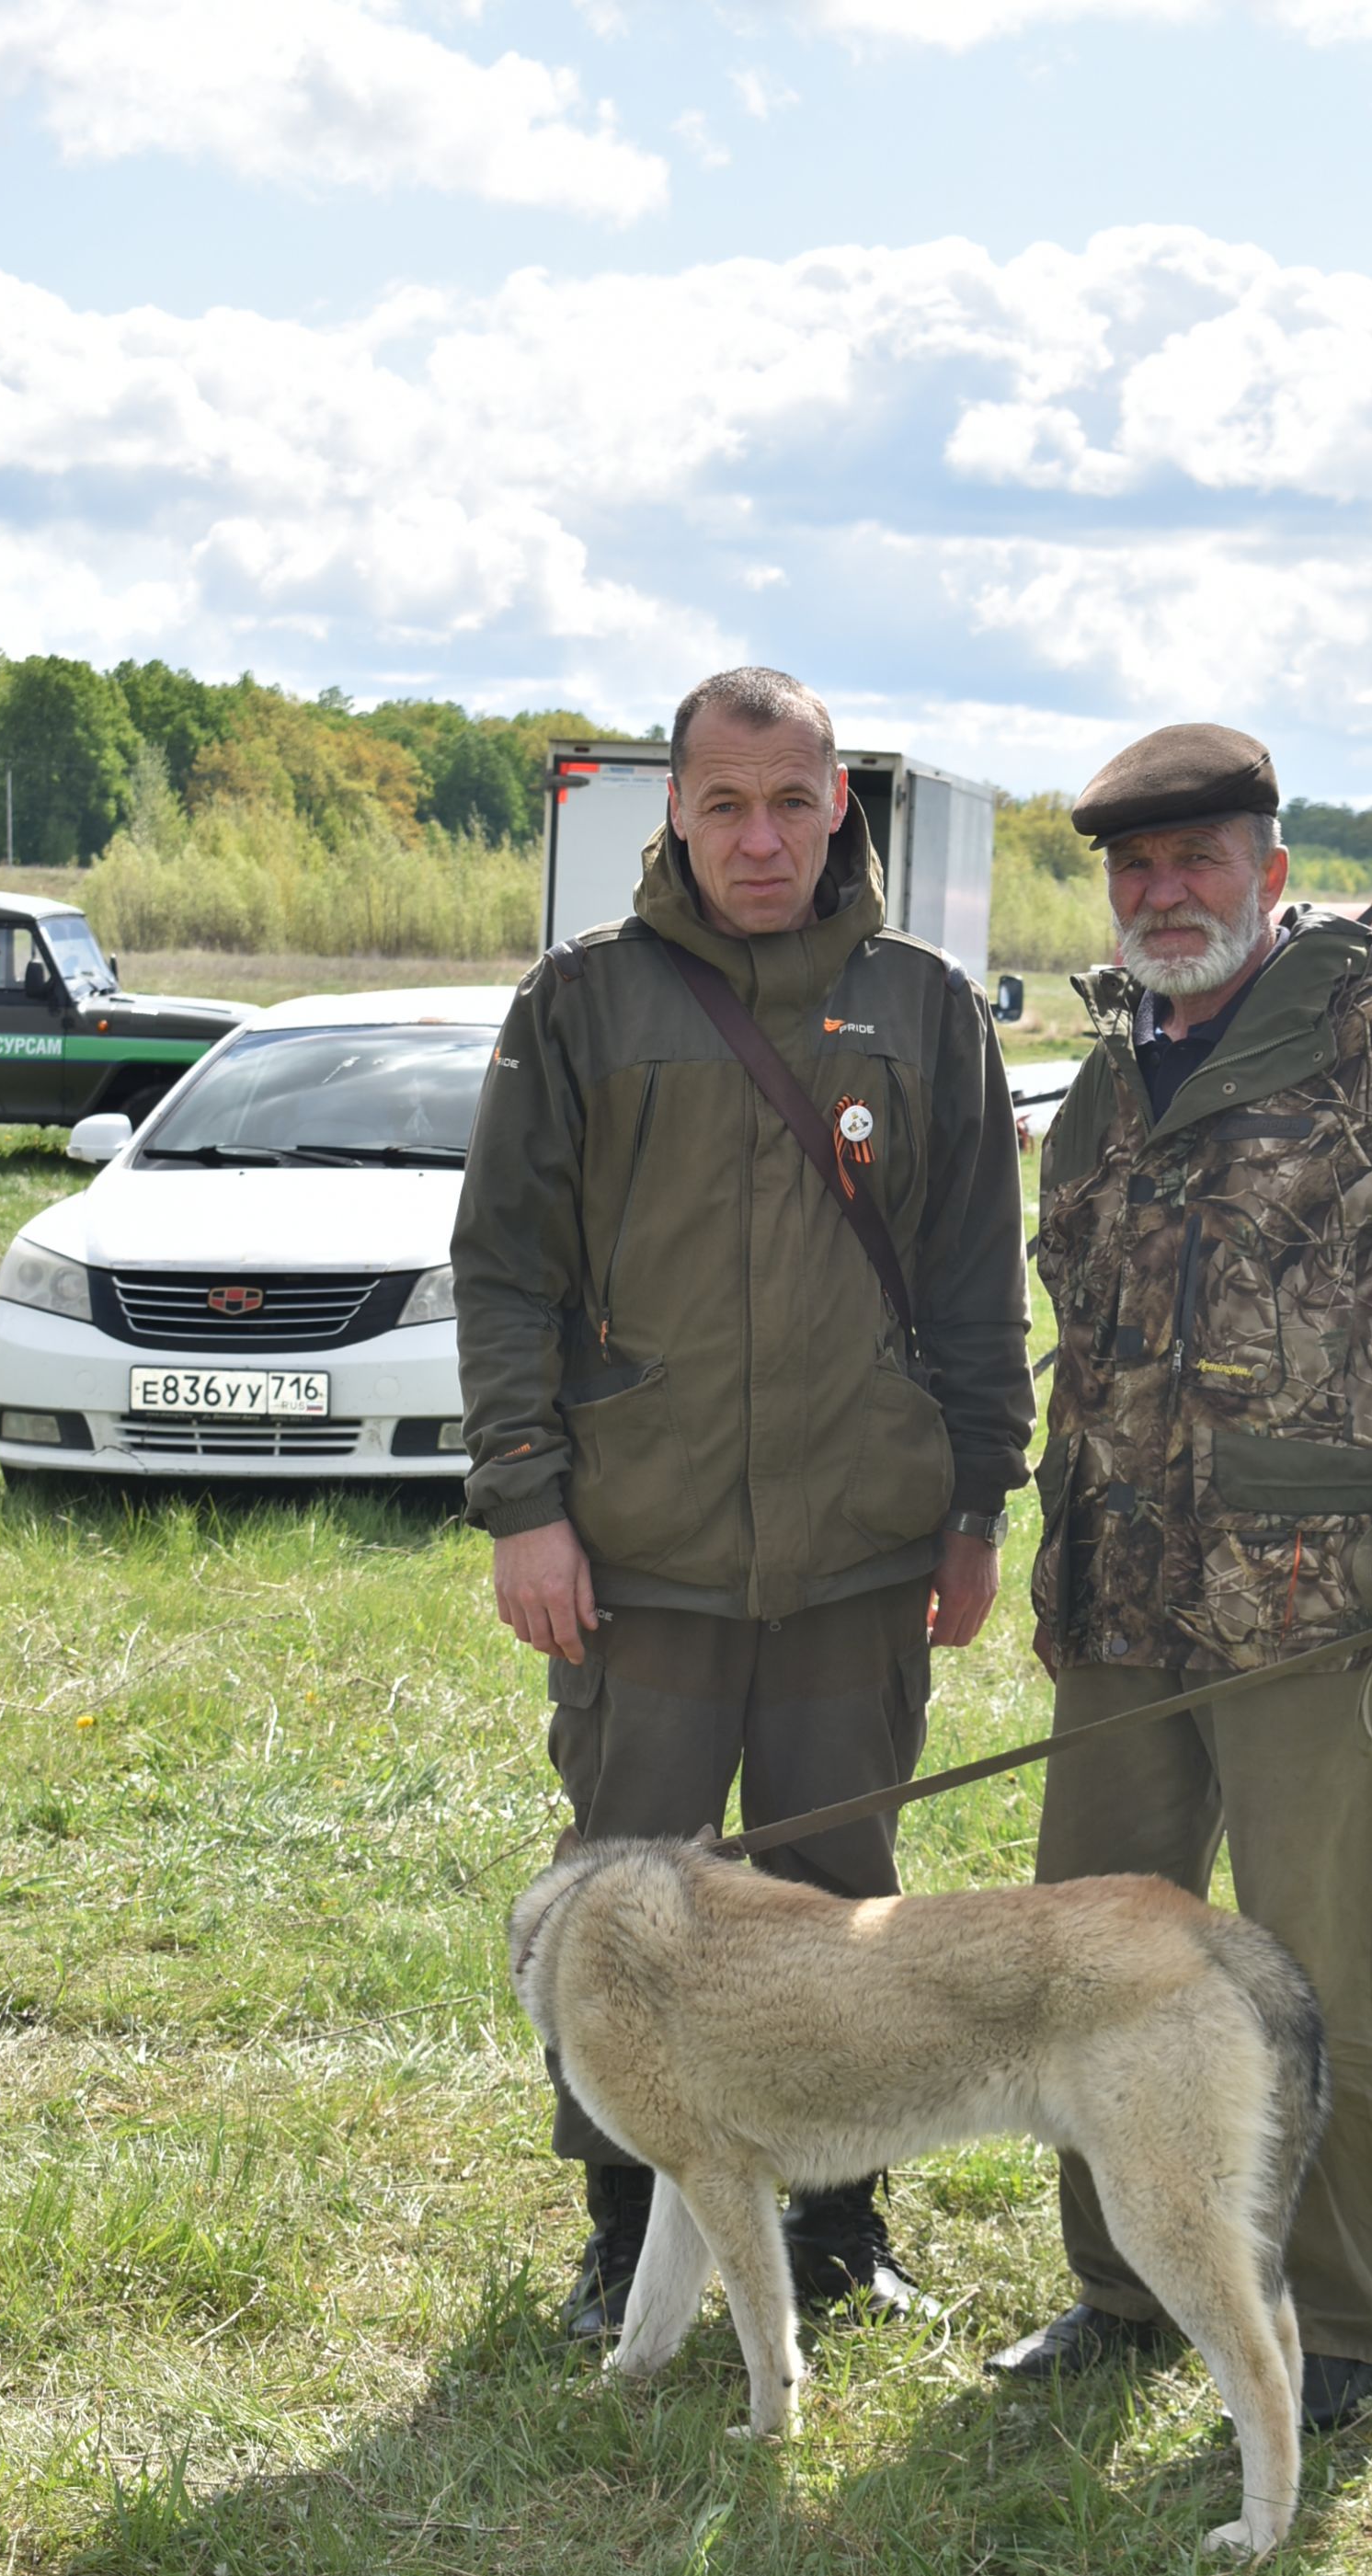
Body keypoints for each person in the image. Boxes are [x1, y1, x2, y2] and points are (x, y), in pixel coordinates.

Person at [987, 723, 1372, 2427]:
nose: (1163, 893)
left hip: (1320, 1607)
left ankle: (1341, 2332)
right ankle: (1120, 2290)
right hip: (1117, 1603)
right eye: (1135, 868)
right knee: (1089, 1964)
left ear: (1269, 870)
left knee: (1320, 1968)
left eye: (1198, 861)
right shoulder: (1107, 1084)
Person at [452, 667, 1034, 2338]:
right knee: (626, 1906)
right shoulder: (584, 1005)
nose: (760, 837)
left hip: (861, 1549)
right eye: (726, 805)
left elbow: (973, 1285)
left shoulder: (923, 1007)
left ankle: (842, 2225)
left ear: (838, 801)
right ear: (676, 816)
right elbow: (503, 1273)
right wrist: (524, 1506)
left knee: (843, 1895)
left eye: (792, 801)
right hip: (643, 1552)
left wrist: (978, 1506)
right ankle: (621, 2223)